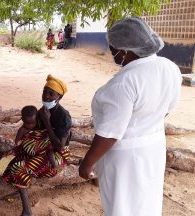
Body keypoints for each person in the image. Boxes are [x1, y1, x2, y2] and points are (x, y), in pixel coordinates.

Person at [79, 17, 182, 216]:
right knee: (146, 202)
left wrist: (88, 163)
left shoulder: (123, 84)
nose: (111, 53)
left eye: (113, 49)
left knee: (122, 206)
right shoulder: (169, 67)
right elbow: (167, 108)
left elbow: (110, 133)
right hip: (153, 148)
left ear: (125, 52)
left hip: (125, 159)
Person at [2, 74, 72, 216]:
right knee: (8, 157)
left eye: (51, 93)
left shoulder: (63, 116)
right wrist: (18, 147)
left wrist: (47, 122)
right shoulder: (42, 111)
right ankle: (4, 174)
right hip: (41, 147)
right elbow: (32, 131)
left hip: (58, 155)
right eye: (44, 91)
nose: (46, 96)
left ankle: (27, 211)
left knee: (17, 167)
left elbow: (59, 146)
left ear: (59, 97)